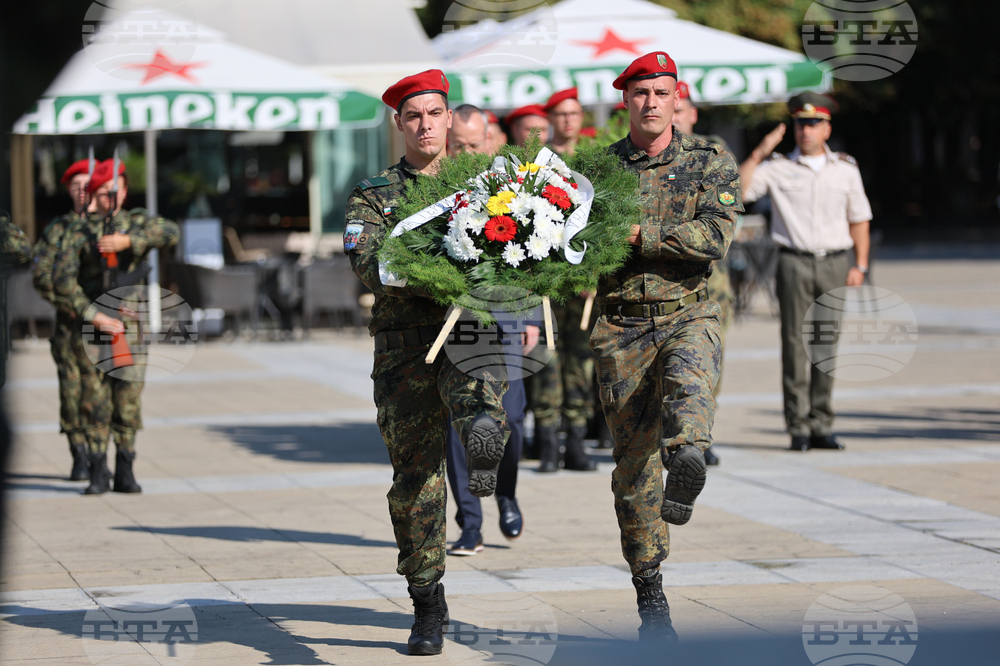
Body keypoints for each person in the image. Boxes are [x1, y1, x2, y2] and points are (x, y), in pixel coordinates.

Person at [344, 70, 509, 656]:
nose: (425, 124)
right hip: (404, 346)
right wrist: (434, 265)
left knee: (479, 405)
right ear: (400, 124)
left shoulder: (487, 182)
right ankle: (426, 600)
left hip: (469, 329)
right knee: (415, 478)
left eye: (434, 113)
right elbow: (369, 262)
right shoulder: (373, 193)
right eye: (413, 115)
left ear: (448, 119)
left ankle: (483, 434)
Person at [593, 52, 741, 640]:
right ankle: (649, 587)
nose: (650, 102)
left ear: (677, 97)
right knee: (632, 471)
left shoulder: (710, 160)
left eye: (660, 92)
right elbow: (575, 238)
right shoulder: (597, 169)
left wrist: (638, 235)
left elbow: (713, 237)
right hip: (621, 327)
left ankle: (688, 457)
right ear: (624, 101)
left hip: (688, 312)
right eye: (639, 93)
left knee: (690, 387)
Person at [739, 92, 872, 453]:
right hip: (792, 261)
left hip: (834, 261)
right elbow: (737, 191)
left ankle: (822, 424)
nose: (806, 130)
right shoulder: (777, 166)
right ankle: (797, 426)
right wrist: (759, 152)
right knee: (795, 344)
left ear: (827, 127)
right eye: (800, 123)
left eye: (814, 123)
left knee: (826, 344)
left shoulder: (846, 168)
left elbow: (859, 219)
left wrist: (860, 264)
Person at [51, 159, 179, 495]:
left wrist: (128, 243)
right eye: (103, 190)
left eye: (115, 189)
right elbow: (62, 281)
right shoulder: (78, 229)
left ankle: (125, 466)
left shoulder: (135, 222)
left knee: (127, 399)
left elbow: (169, 231)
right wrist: (93, 314)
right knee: (94, 400)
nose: (110, 196)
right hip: (93, 326)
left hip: (129, 328)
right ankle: (97, 468)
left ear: (123, 191)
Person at [444, 104, 535, 554]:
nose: (464, 153)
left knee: (512, 419)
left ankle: (506, 492)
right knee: (462, 423)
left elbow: (538, 258)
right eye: (456, 145)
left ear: (490, 142)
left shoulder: (513, 190)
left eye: (473, 146)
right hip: (457, 324)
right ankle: (471, 523)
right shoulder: (435, 191)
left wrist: (534, 318)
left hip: (509, 320)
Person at [670, 81, 735, 466]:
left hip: (711, 278)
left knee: (708, 356)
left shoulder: (714, 157)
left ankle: (700, 435)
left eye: (679, 112)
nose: (674, 119)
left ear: (692, 114)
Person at [32, 159, 97, 480]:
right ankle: (79, 453)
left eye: (89, 185)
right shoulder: (58, 230)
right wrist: (75, 303)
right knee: (72, 393)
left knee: (102, 392)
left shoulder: (109, 226)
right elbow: (42, 276)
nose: (83, 191)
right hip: (70, 327)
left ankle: (102, 456)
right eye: (77, 185)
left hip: (105, 328)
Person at [544, 87, 584, 156]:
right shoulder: (542, 155)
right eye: (562, 114)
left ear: (581, 116)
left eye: (574, 113)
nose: (568, 120)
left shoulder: (594, 150)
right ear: (550, 118)